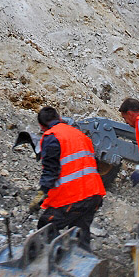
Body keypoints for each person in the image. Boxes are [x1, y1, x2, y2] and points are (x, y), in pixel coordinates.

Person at [27, 106, 106, 249]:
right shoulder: (80, 135)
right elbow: (95, 164)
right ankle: (82, 263)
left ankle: (55, 260)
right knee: (80, 235)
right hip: (94, 194)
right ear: (60, 118)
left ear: (41, 126)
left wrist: (41, 194)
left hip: (74, 198)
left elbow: (51, 171)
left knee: (46, 226)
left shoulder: (52, 137)